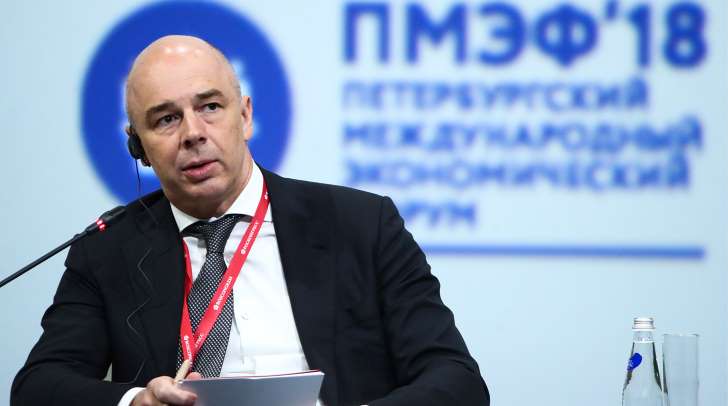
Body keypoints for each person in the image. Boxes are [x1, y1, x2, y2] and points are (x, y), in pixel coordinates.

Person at [11, 35, 489, 406]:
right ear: (139, 147)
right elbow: (37, 387)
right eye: (166, 120)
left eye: (210, 107)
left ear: (244, 116)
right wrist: (136, 401)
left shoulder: (361, 224)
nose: (193, 133)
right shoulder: (107, 249)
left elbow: (457, 381)